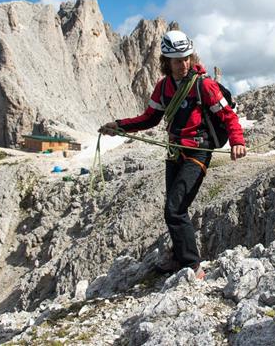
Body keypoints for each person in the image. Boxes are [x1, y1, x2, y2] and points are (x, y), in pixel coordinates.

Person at [99, 30, 246, 279]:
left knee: (175, 209)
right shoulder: (163, 87)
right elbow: (149, 118)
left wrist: (237, 141)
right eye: (178, 60)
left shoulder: (205, 85)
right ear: (166, 62)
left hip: (198, 151)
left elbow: (228, 116)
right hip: (175, 152)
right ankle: (180, 257)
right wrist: (119, 126)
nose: (184, 64)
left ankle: (192, 266)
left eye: (187, 58)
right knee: (175, 207)